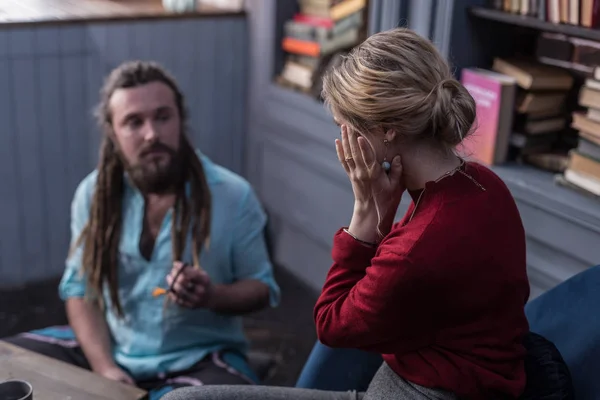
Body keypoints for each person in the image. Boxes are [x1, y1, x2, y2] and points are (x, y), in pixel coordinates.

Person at [162, 27, 530, 400]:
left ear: (387, 128)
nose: (341, 137)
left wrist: (365, 213)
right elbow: (401, 295)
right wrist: (384, 217)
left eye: (345, 124)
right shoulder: (483, 183)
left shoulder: (419, 246)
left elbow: (332, 324)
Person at [3, 61, 280, 393]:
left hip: (202, 357)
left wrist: (212, 295)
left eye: (163, 117)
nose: (152, 134)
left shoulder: (233, 195)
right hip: (112, 348)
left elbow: (261, 289)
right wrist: (104, 367)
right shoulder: (94, 194)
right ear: (113, 132)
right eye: (134, 122)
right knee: (9, 365)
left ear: (181, 120)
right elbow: (80, 291)